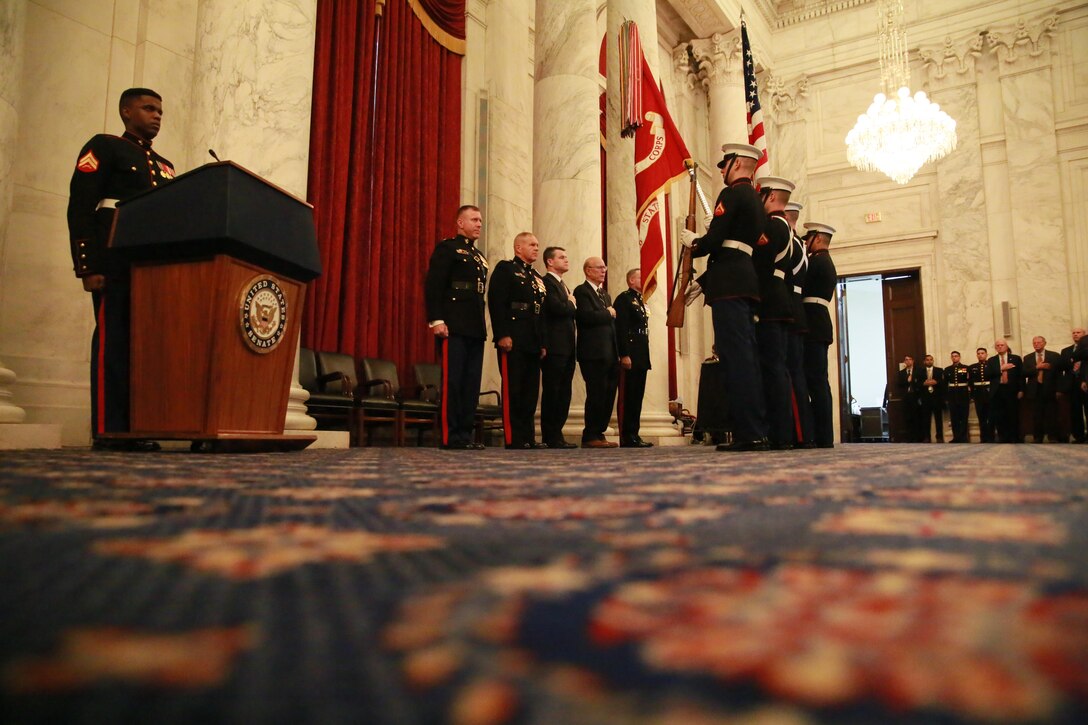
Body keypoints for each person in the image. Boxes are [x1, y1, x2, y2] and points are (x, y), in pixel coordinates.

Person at [68, 88, 176, 452]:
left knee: (142, 347)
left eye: (160, 110)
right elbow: (81, 207)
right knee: (113, 341)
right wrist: (88, 265)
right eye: (148, 108)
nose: (157, 115)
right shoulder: (105, 146)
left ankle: (136, 425)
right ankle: (109, 429)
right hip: (114, 259)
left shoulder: (165, 165)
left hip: (151, 266)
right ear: (126, 111)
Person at [678, 142, 768, 452]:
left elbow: (716, 242)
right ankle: (755, 430)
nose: (720, 169)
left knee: (735, 359)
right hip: (740, 279)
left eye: (725, 163)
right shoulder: (755, 199)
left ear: (738, 164)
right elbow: (733, 245)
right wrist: (704, 280)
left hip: (730, 285)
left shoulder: (731, 194)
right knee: (745, 358)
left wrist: (696, 243)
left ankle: (747, 433)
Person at [425, 205, 489, 450]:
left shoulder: (478, 255)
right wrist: (437, 319)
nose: (479, 224)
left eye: (481, 220)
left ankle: (464, 434)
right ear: (460, 222)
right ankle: (449, 436)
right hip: (453, 324)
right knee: (453, 381)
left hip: (474, 325)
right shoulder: (448, 248)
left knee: (471, 383)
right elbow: (434, 284)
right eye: (474, 219)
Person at [487, 232, 548, 449]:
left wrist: (542, 342)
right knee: (514, 388)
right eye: (531, 244)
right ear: (518, 248)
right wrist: (502, 334)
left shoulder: (537, 278)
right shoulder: (506, 269)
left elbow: (540, 312)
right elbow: (497, 302)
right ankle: (514, 437)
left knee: (530, 391)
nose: (536, 248)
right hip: (513, 335)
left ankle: (528, 437)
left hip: (532, 338)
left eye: (537, 245)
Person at [754, 176, 797, 450]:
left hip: (770, 300)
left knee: (772, 370)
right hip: (779, 300)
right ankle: (783, 432)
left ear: (769, 197)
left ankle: (780, 433)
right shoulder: (785, 227)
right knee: (776, 369)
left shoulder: (773, 225)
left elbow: (758, 261)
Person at [575, 257, 619, 448]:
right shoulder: (582, 291)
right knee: (596, 393)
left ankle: (599, 432)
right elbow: (585, 317)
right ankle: (590, 434)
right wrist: (607, 313)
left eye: (604, 267)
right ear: (588, 270)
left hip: (609, 352)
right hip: (592, 352)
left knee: (608, 394)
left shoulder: (604, 294)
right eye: (599, 268)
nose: (603, 270)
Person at [801, 222, 838, 448]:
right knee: (819, 382)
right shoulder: (825, 261)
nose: (805, 243)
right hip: (819, 322)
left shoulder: (817, 261)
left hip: (812, 323)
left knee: (815, 382)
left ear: (818, 239)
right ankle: (824, 435)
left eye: (808, 239)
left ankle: (821, 435)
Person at [540, 246, 577, 449]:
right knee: (553, 391)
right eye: (561, 257)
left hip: (568, 347)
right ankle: (550, 435)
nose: (566, 260)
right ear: (550, 262)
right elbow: (556, 309)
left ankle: (558, 433)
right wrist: (571, 303)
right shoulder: (547, 283)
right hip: (554, 346)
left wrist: (569, 302)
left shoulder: (563, 285)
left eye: (566, 256)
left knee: (564, 392)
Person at [783, 200, 814, 447]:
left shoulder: (791, 242)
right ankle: (803, 433)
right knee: (796, 374)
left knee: (790, 374)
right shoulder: (801, 244)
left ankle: (796, 434)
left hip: (788, 309)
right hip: (797, 308)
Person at [614, 268, 653, 447]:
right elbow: (621, 328)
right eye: (640, 276)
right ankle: (627, 435)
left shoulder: (640, 300)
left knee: (637, 396)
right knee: (628, 396)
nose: (644, 279)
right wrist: (624, 353)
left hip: (641, 352)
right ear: (631, 281)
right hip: (630, 352)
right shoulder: (624, 299)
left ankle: (635, 434)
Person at [1022, 335, 1062, 443]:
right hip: (1034, 390)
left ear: (1044, 343)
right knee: (1036, 415)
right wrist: (1037, 368)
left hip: (1050, 389)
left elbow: (1059, 374)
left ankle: (1052, 436)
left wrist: (1059, 390)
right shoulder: (1027, 357)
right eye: (1034, 343)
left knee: (1051, 414)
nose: (1036, 344)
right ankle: (1038, 437)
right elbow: (1024, 373)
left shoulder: (1054, 356)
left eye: (1039, 342)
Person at [986, 339, 1023, 443]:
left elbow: (1021, 375)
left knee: (1013, 414)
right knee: (999, 416)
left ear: (1006, 346)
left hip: (1011, 390)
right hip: (997, 390)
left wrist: (1021, 390)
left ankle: (1014, 437)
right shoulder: (991, 360)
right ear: (995, 348)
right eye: (997, 345)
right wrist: (1001, 368)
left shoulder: (1015, 358)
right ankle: (1003, 437)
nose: (1000, 347)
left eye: (1002, 345)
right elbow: (988, 374)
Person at [1060, 327, 1087, 443]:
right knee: (1075, 411)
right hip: (1072, 384)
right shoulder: (1066, 351)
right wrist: (1072, 363)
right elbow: (1062, 366)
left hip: (1085, 381)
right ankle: (1078, 436)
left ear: (1084, 334)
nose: (1075, 334)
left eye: (1078, 332)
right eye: (1074, 333)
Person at [968, 346, 994, 442]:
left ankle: (991, 437)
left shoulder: (991, 365)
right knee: (981, 416)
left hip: (989, 392)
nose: (980, 355)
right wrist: (972, 395)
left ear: (986, 354)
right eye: (978, 353)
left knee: (990, 416)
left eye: (982, 353)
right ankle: (983, 437)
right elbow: (970, 382)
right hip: (978, 394)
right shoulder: (972, 367)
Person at [917, 354, 945, 442]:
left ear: (933, 361)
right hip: (925, 398)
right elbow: (916, 384)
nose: (929, 361)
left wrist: (936, 382)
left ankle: (939, 437)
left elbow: (943, 382)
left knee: (938, 418)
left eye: (931, 359)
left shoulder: (939, 370)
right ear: (924, 361)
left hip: (936, 398)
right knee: (926, 419)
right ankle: (927, 437)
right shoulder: (920, 371)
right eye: (927, 360)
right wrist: (923, 384)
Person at [944, 351, 970, 443]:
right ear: (951, 358)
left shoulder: (966, 368)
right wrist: (946, 397)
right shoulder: (947, 369)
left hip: (963, 394)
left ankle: (963, 437)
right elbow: (945, 384)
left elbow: (969, 381)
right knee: (954, 417)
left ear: (959, 357)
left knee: (963, 416)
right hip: (952, 394)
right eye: (953, 356)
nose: (954, 358)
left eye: (956, 356)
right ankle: (956, 437)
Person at [896, 355, 920, 442]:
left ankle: (918, 438)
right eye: (906, 360)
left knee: (917, 417)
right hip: (906, 398)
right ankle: (909, 438)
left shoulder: (918, 371)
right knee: (907, 418)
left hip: (916, 397)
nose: (908, 361)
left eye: (910, 359)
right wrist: (907, 381)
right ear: (904, 362)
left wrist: (913, 381)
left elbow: (921, 383)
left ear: (913, 361)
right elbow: (899, 384)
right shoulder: (901, 373)